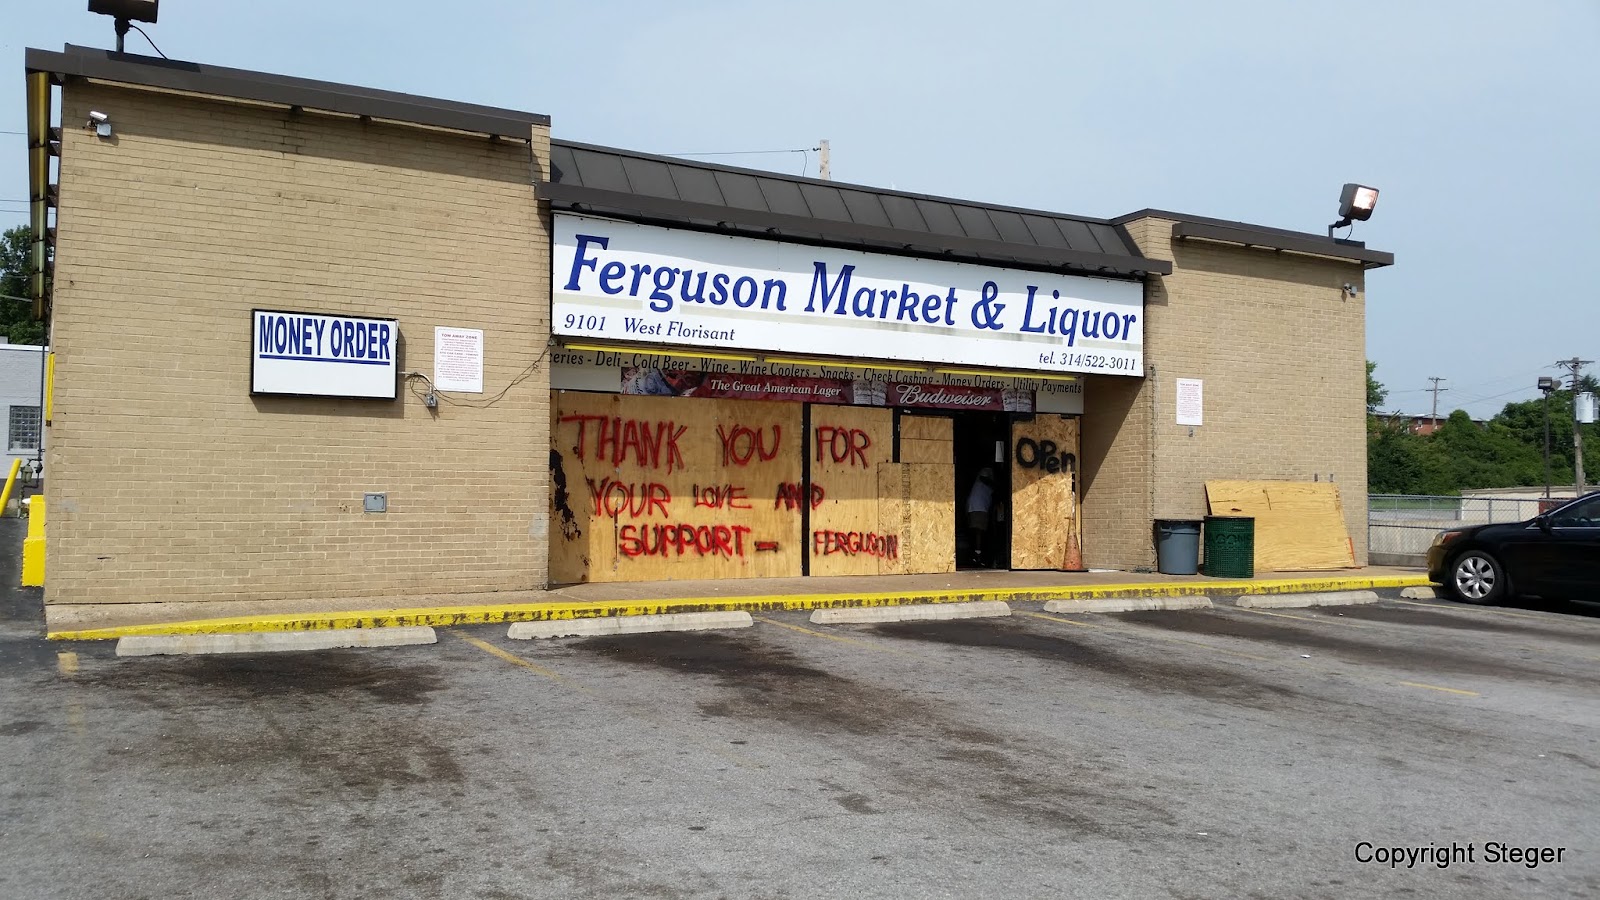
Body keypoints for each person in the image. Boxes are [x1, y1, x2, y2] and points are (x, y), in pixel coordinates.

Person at [965, 468, 995, 567]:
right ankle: (977, 556)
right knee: (979, 532)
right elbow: (984, 478)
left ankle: (976, 555)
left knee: (978, 532)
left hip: (977, 506)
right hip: (979, 507)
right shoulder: (987, 470)